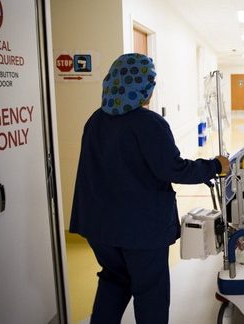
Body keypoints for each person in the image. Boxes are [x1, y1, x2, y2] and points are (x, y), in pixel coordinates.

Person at [69, 53, 230, 324]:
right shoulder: (148, 123)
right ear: (143, 86)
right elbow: (173, 169)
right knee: (150, 291)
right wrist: (215, 166)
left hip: (99, 227)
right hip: (139, 231)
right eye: (151, 82)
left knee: (113, 280)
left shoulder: (95, 120)